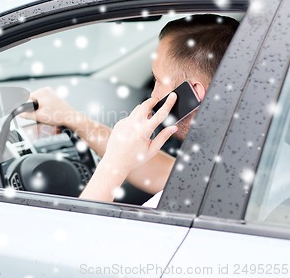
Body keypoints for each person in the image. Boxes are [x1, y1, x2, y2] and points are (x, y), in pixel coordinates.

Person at [25, 14, 239, 204]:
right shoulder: (233, 165)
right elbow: (167, 174)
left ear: (194, 93)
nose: (154, 95)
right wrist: (71, 118)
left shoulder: (184, 206)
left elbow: (76, 241)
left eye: (157, 80)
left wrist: (113, 164)